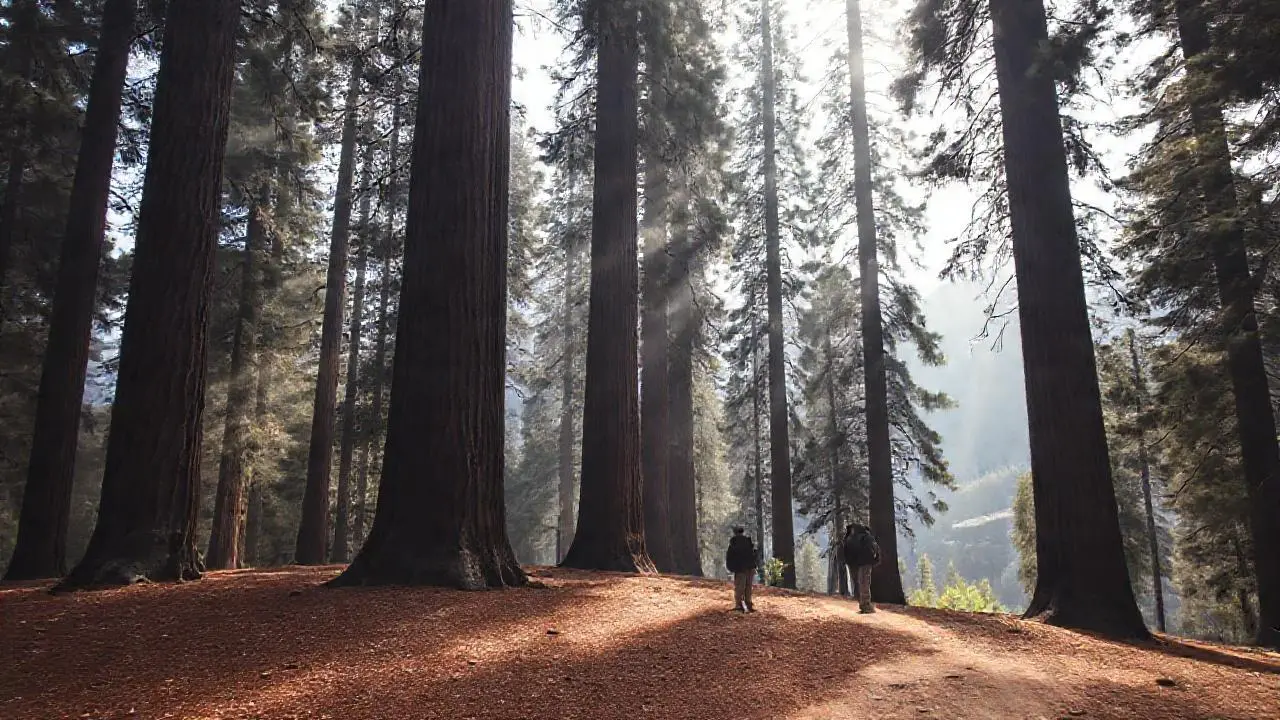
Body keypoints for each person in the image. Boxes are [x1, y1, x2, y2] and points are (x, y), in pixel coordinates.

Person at [843, 523, 881, 614]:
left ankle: (861, 602)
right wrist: (876, 560)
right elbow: (875, 549)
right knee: (865, 582)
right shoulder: (867, 537)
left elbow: (845, 552)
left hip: (854, 563)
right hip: (866, 562)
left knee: (859, 582)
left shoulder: (849, 538)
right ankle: (866, 605)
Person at [725, 527, 757, 612]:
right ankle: (748, 604)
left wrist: (731, 568)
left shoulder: (733, 543)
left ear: (735, 532)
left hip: (740, 569)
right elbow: (753, 554)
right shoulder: (748, 541)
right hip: (749, 567)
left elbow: (729, 557)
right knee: (748, 587)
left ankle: (739, 605)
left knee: (740, 586)